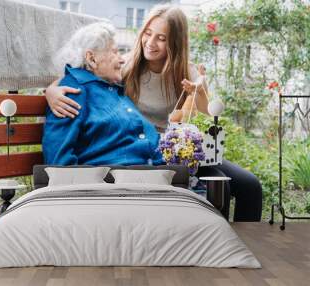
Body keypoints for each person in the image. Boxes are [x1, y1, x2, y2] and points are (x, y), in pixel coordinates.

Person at [44, 4, 262, 222]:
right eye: (148, 34)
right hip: (153, 156)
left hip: (174, 149)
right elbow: (77, 75)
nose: (150, 42)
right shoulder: (127, 65)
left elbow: (206, 108)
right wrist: (51, 90)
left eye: (161, 38)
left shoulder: (183, 69)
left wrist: (200, 88)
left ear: (174, 43)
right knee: (218, 184)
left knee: (246, 186)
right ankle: (218, 245)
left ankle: (235, 248)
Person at [42, 22, 164, 166]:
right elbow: (59, 162)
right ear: (92, 59)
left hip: (151, 177)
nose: (122, 59)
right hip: (114, 183)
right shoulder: (72, 92)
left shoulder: (111, 88)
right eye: (115, 52)